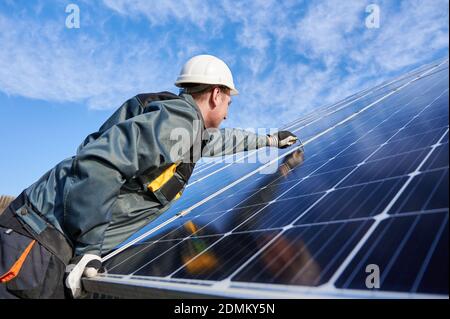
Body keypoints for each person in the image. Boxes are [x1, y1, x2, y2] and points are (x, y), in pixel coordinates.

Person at [0, 54, 298, 299]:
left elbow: (224, 140)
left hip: (46, 243)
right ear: (216, 94)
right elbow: (101, 164)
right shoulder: (178, 121)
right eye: (228, 105)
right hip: (38, 244)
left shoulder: (186, 131)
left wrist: (269, 140)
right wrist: (90, 248)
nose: (227, 115)